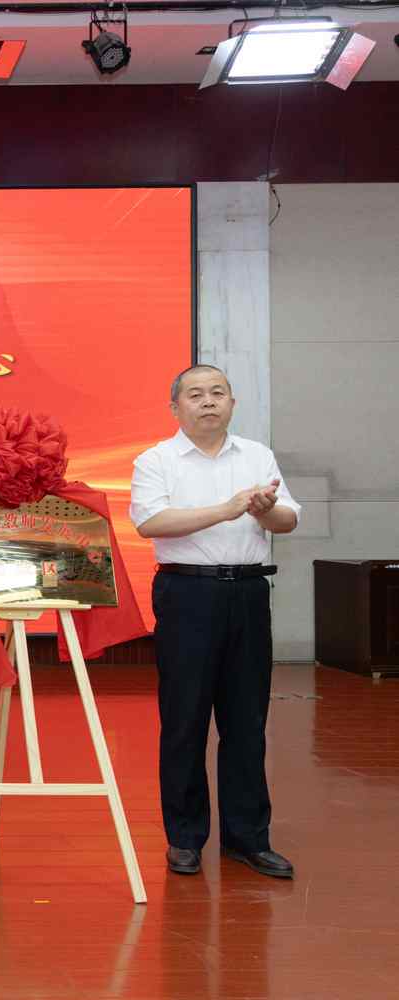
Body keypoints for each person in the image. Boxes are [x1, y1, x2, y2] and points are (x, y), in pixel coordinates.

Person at [129, 364, 300, 879]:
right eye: (196, 394)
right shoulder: (156, 460)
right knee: (184, 719)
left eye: (218, 393)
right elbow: (150, 521)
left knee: (246, 721)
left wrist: (264, 510)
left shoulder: (257, 455)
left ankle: (247, 838)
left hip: (248, 592)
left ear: (232, 403)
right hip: (187, 594)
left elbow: (288, 519)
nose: (208, 401)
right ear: (175, 407)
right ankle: (184, 837)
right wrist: (225, 509)